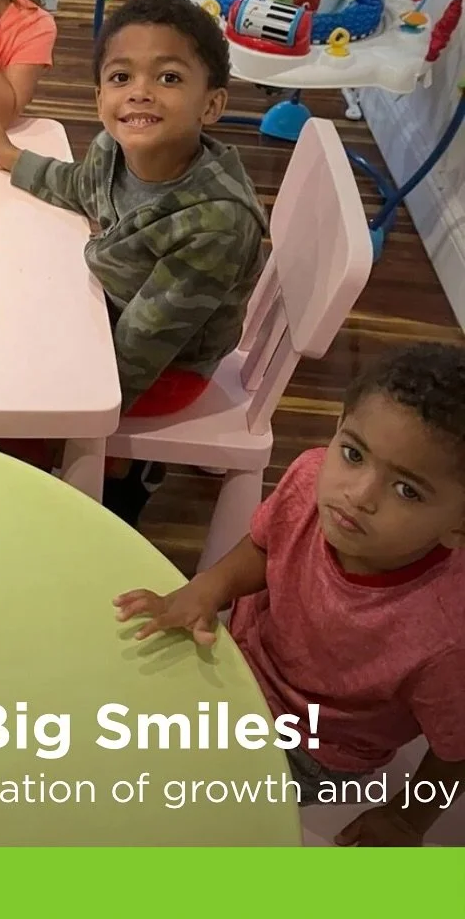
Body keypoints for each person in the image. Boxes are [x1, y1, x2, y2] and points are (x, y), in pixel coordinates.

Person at [115, 343, 465, 847]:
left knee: (177, 811)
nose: (359, 495)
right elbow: (266, 543)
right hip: (237, 658)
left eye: (407, 490)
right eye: (353, 453)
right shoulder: (308, 480)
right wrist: (205, 589)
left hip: (315, 748)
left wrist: (408, 818)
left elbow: (454, 752)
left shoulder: (445, 638)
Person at [0, 0, 266, 517]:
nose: (141, 94)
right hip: (111, 312)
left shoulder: (214, 223)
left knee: (11, 402)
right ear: (99, 96)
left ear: (212, 104)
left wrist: (77, 432)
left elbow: (139, 353)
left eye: (169, 78)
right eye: (121, 78)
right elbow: (81, 188)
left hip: (166, 370)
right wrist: (12, 157)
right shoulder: (115, 149)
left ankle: (104, 482)